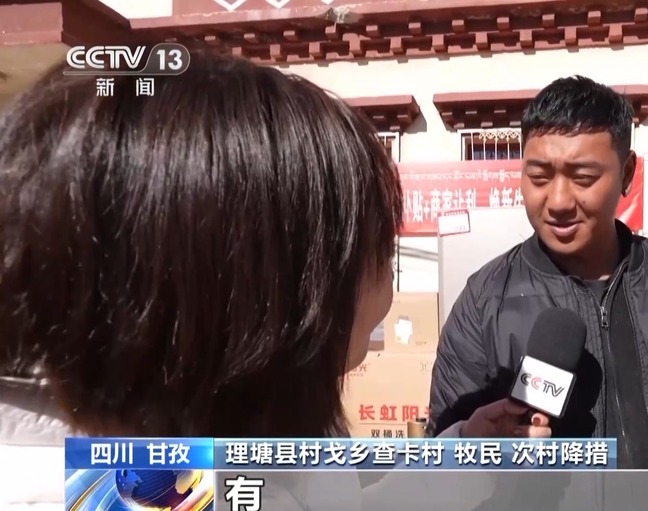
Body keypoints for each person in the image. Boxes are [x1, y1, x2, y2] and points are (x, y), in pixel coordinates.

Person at [0, 52, 547, 510]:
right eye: (370, 237)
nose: (384, 265)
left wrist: (466, 454)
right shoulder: (134, 492)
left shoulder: (227, 434)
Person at [428, 76, 648, 469]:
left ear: (626, 173)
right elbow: (443, 457)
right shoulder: (483, 304)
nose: (558, 201)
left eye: (583, 178)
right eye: (539, 177)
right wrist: (480, 452)